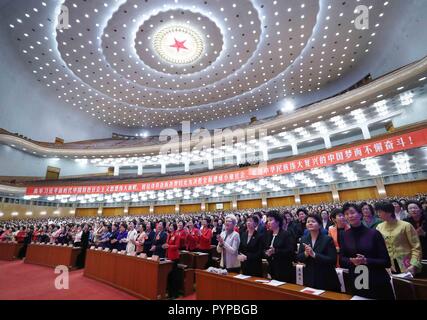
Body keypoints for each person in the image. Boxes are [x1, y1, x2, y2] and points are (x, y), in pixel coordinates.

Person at [340, 203, 394, 299]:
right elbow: (342, 260)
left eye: (352, 212)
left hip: (376, 277)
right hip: (358, 278)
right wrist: (352, 261)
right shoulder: (344, 235)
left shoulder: (374, 233)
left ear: (360, 214)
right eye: (346, 214)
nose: (349, 216)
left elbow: (386, 262)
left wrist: (365, 261)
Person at [376, 201, 422, 275]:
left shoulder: (405, 225)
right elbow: (380, 248)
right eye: (377, 212)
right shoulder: (379, 227)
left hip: (407, 263)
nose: (378, 214)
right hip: (390, 265)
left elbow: (416, 247)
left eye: (380, 212)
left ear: (389, 212)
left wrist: (414, 264)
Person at [297, 214, 340, 292]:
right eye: (308, 222)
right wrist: (306, 254)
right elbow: (299, 257)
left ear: (319, 225)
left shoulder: (327, 239)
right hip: (310, 277)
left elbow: (332, 260)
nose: (310, 223)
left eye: (313, 221)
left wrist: (314, 255)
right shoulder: (304, 239)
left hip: (325, 277)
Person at [264, 210, 295, 282]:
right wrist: (266, 253)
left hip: (283, 268)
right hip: (271, 267)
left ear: (278, 222)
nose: (268, 222)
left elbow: (290, 251)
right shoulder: (268, 234)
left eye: (270, 220)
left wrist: (275, 251)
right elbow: (264, 248)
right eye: (268, 220)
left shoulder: (286, 234)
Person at [163, 223, 181, 299]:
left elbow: (177, 246)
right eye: (169, 226)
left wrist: (168, 246)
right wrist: (164, 246)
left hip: (174, 257)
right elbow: (167, 244)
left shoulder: (177, 235)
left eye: (171, 226)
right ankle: (170, 293)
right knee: (169, 276)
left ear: (174, 227)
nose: (170, 227)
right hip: (168, 256)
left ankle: (175, 294)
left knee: (174, 276)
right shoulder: (169, 235)